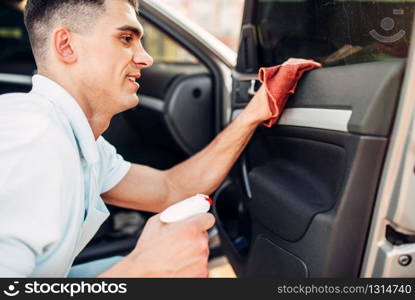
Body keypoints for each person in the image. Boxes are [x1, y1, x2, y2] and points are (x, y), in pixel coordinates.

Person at [0, 0, 319, 277]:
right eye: (126, 38)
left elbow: (171, 189)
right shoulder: (32, 142)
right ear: (66, 46)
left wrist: (252, 114)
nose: (145, 58)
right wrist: (141, 271)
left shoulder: (79, 140)